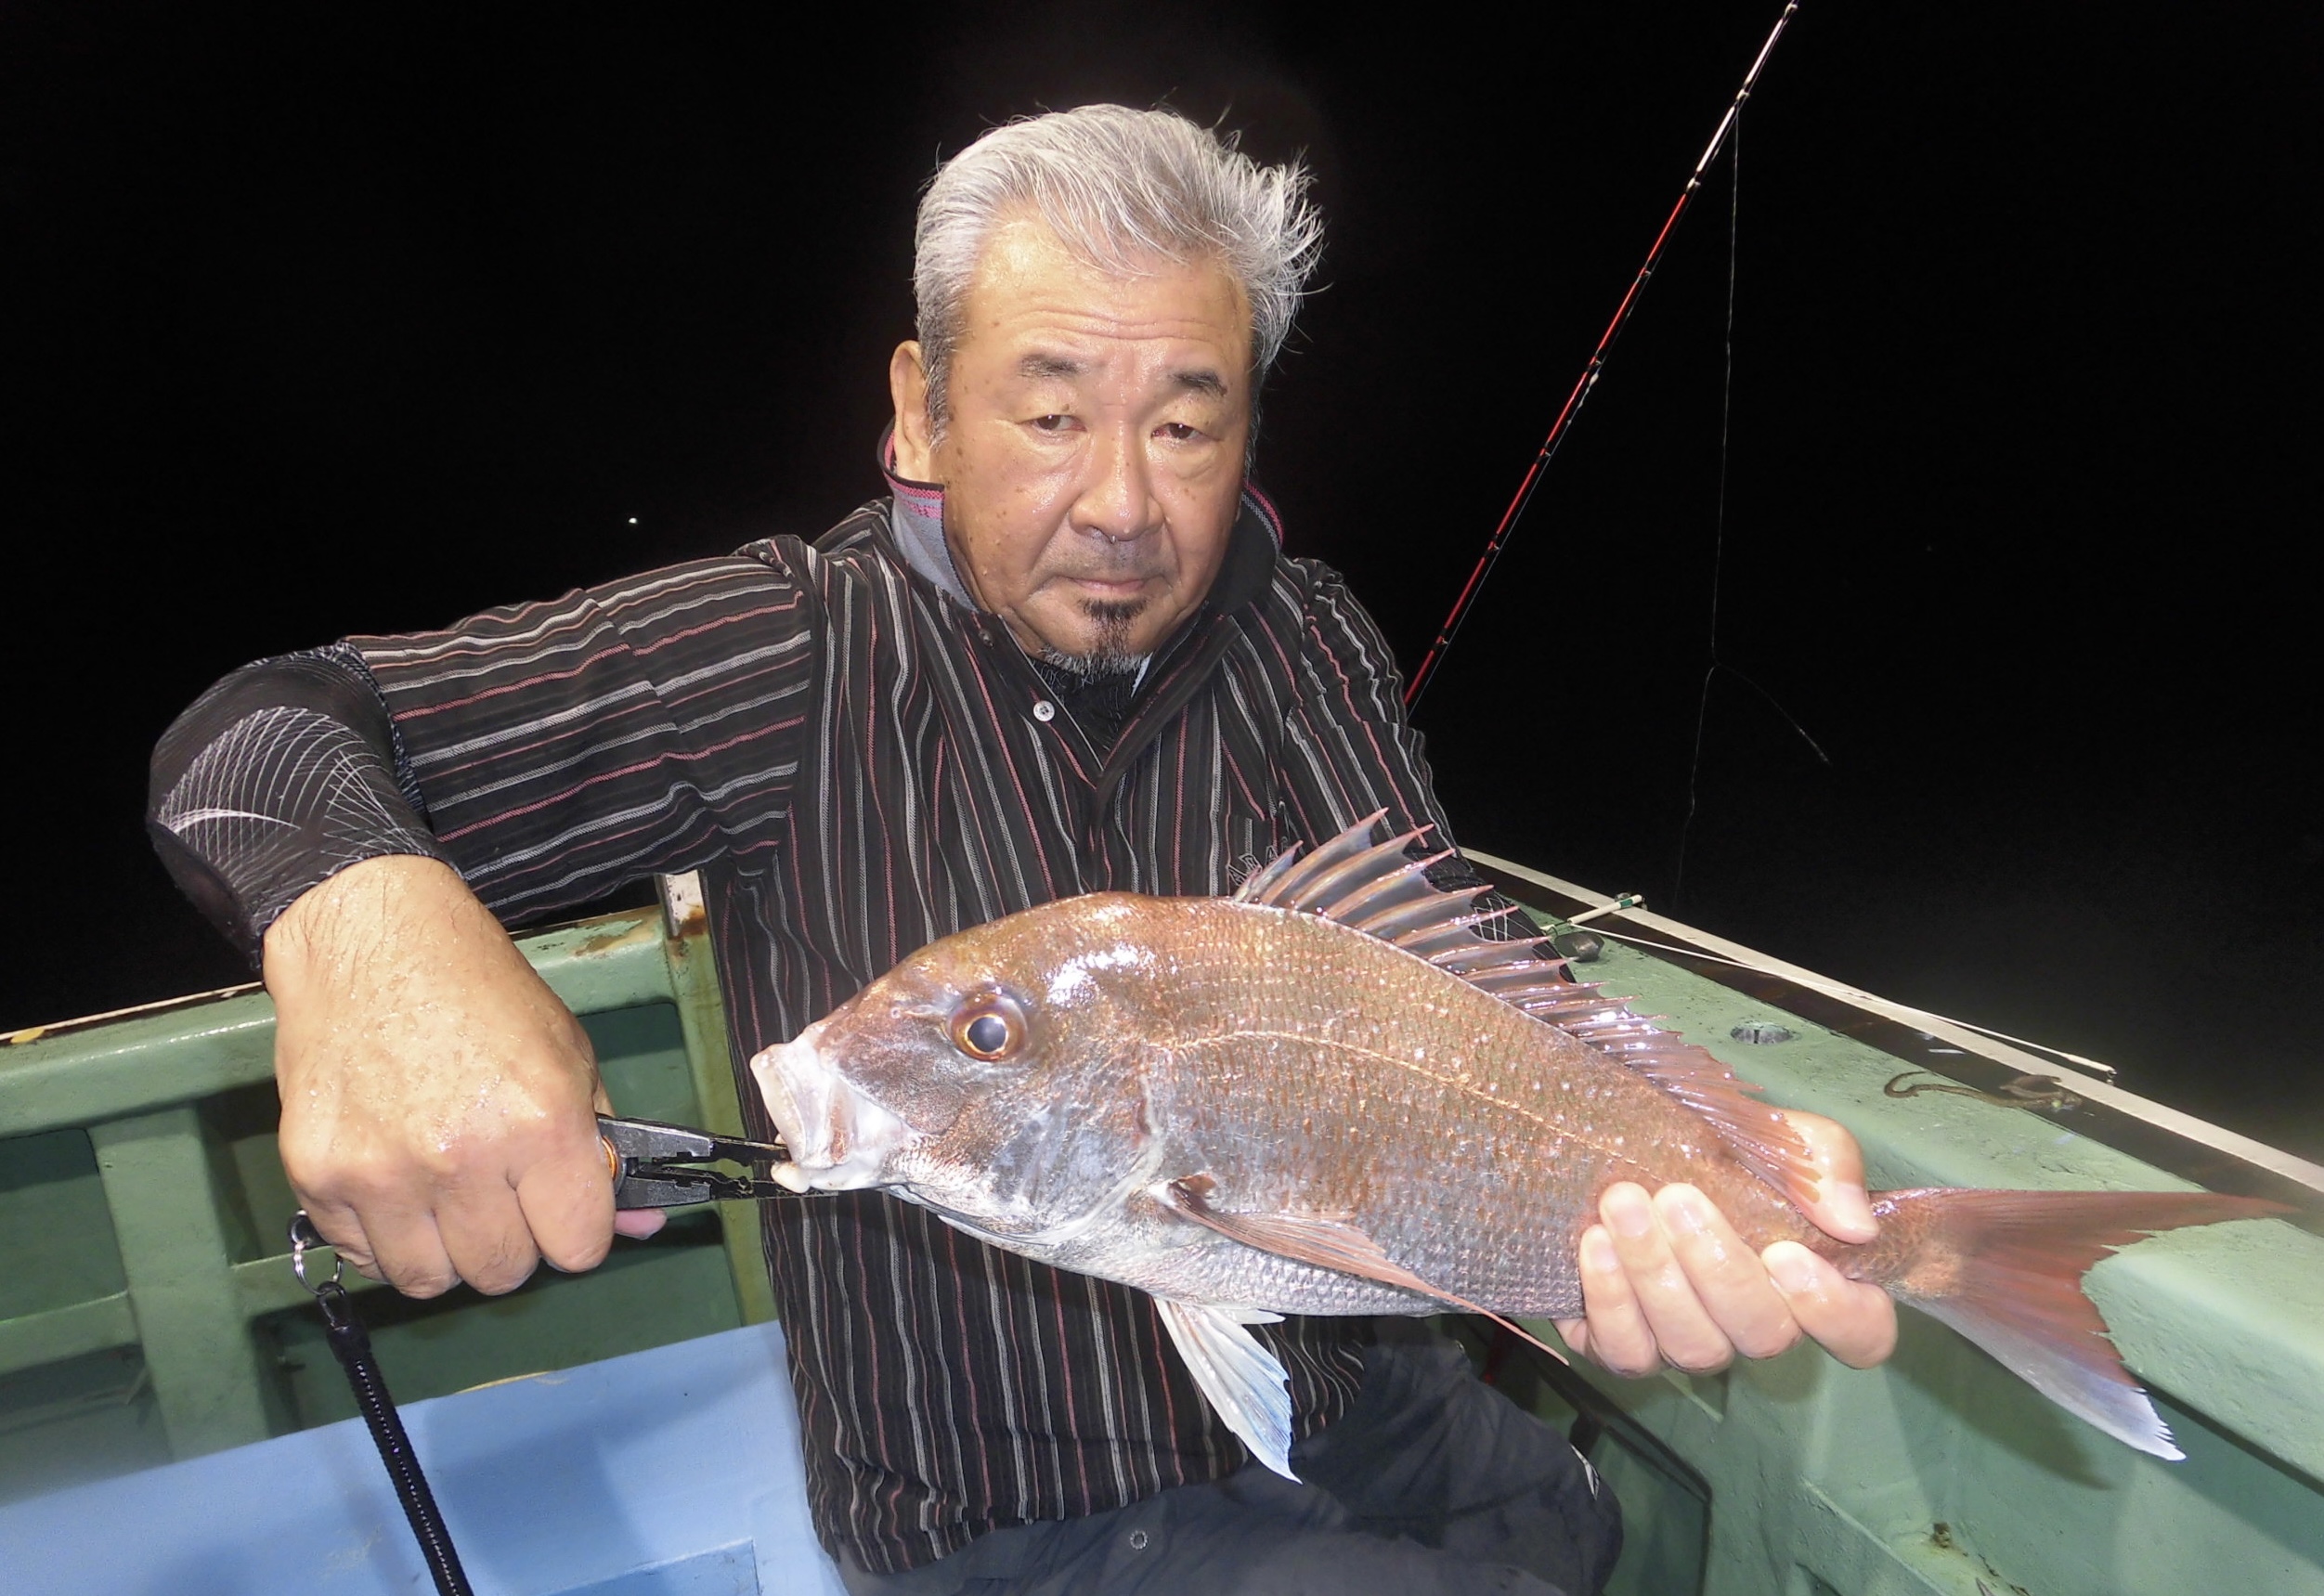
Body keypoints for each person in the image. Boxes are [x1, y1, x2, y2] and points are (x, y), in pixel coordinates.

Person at [149, 106, 1895, 1595]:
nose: (1124, 502)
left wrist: (1640, 1192)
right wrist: (374, 950)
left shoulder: (1308, 639)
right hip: (1021, 1516)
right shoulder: (786, 651)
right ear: (921, 410)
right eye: (1051, 413)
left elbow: (1458, 992)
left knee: (1574, 1530)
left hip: (1369, 1387)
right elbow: (259, 739)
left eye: (1187, 423)